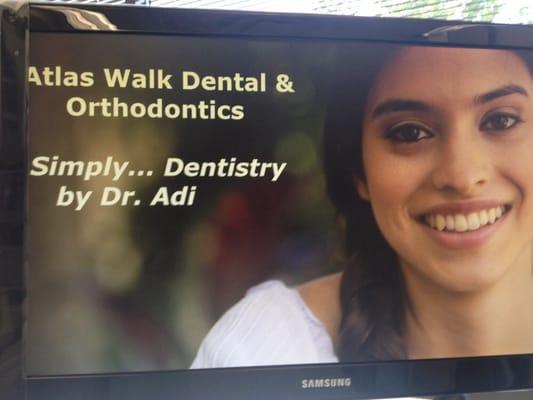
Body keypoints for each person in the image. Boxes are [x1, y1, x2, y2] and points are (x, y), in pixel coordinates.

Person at [191, 44, 533, 369]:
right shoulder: (265, 349)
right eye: (410, 133)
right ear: (358, 171)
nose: (462, 176)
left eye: (501, 121)